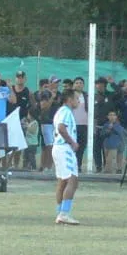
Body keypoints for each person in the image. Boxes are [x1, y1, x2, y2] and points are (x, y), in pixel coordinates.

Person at [52, 89, 80, 224]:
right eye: (77, 98)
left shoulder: (61, 111)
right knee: (72, 180)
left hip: (58, 148)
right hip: (64, 148)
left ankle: (60, 212)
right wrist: (72, 142)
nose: (78, 101)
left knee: (63, 181)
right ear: (70, 99)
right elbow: (61, 128)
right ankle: (64, 213)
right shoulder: (66, 112)